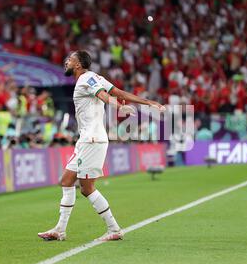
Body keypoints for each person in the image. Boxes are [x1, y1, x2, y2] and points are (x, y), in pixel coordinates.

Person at [38, 50, 165, 241]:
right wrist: (147, 102)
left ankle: (113, 229)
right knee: (66, 181)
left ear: (79, 64)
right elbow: (118, 92)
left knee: (87, 189)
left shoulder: (86, 79)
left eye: (70, 59)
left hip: (93, 140)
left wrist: (119, 106)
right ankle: (60, 230)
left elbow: (104, 95)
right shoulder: (95, 77)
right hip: (85, 140)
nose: (67, 62)